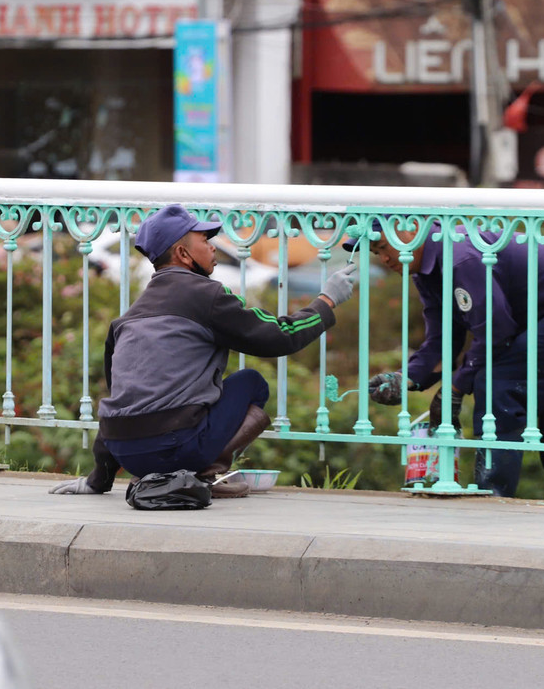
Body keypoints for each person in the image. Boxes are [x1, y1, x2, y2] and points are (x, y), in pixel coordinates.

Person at [50, 203, 359, 499]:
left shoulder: (128, 319)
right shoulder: (207, 296)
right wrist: (326, 301)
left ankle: (172, 476)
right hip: (175, 447)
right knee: (252, 382)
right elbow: (279, 336)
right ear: (183, 254)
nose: (214, 246)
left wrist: (98, 481)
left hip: (127, 454)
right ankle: (202, 477)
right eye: (205, 240)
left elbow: (122, 400)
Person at [355, 218, 544, 500]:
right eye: (376, 252)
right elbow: (442, 341)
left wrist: (455, 389)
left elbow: (496, 333)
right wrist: (405, 378)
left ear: (410, 230)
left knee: (498, 382)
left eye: (384, 246)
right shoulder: (428, 270)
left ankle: (493, 495)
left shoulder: (461, 257)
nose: (384, 258)